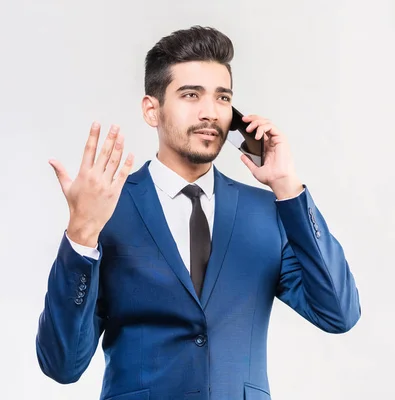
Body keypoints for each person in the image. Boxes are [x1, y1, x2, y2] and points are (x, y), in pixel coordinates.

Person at [35, 25, 361, 400]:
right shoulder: (109, 209)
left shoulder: (266, 213)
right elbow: (61, 365)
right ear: (151, 110)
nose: (210, 113)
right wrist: (80, 236)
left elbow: (338, 313)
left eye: (223, 98)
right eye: (191, 95)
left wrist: (288, 186)